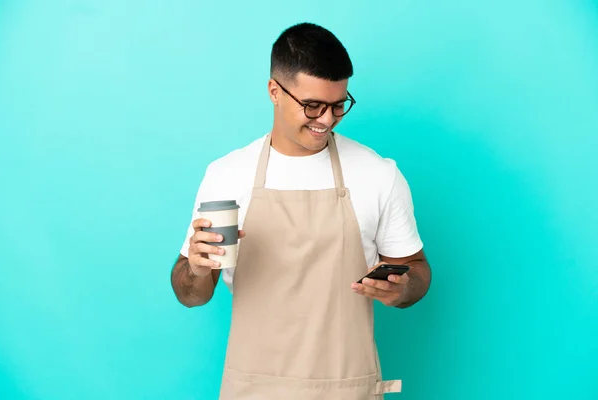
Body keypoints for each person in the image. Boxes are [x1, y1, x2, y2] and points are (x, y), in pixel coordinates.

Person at [171, 22, 431, 400]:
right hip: (254, 389)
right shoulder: (227, 175)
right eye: (312, 105)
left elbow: (418, 271)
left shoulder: (378, 174)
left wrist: (403, 288)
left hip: (347, 388)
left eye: (338, 104)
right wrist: (196, 267)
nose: (326, 119)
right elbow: (191, 294)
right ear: (275, 91)